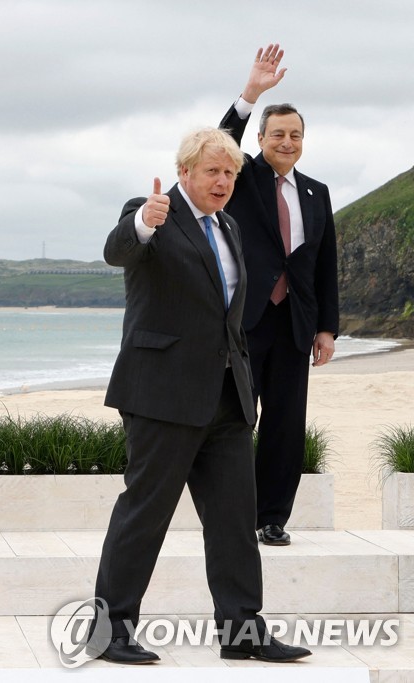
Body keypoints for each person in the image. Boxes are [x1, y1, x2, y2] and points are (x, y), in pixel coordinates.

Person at [92, 127, 311, 664]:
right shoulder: (156, 214)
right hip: (162, 394)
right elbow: (117, 249)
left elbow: (227, 314)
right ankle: (108, 631)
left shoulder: (231, 225)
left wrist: (246, 380)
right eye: (212, 171)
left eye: (230, 172)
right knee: (145, 513)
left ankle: (242, 631)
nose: (223, 180)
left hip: (227, 398)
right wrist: (145, 221)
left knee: (236, 516)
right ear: (184, 172)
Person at [220, 45, 339, 546]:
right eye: (277, 135)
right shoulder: (243, 177)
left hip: (295, 322)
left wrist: (327, 328)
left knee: (286, 426)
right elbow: (220, 142)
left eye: (295, 135)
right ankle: (229, 513)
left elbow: (325, 263)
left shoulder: (317, 192)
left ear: (303, 141)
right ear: (263, 139)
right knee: (234, 419)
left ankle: (272, 518)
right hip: (245, 320)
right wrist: (251, 94)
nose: (286, 142)